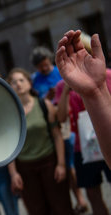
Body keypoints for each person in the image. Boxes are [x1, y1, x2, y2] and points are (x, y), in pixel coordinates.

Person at [55, 30, 111, 215]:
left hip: (102, 142)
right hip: (82, 148)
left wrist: (97, 89)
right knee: (93, 194)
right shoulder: (64, 84)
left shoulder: (107, 75)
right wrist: (88, 91)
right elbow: (61, 117)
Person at [6, 68, 73, 215]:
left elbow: (57, 135)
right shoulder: (10, 114)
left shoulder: (44, 105)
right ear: (9, 88)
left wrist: (61, 164)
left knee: (61, 207)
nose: (18, 84)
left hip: (50, 164)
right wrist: (14, 174)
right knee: (37, 210)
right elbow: (9, 146)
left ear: (30, 83)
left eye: (21, 80)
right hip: (26, 169)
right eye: (13, 82)